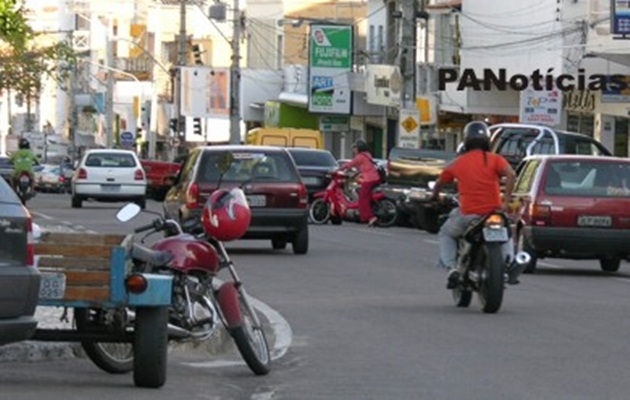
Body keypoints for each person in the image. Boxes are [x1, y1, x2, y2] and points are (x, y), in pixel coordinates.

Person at [430, 121, 518, 288]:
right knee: (506, 233)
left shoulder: (458, 162)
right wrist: (505, 201)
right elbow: (511, 174)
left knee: (446, 233)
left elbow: (439, 183)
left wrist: (435, 196)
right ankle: (509, 262)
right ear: (487, 140)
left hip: (468, 215)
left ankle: (451, 268)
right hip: (494, 212)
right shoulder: (495, 159)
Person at [339, 139, 381, 227]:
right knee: (368, 197)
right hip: (375, 178)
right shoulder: (367, 155)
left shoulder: (360, 157)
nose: (354, 150)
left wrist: (339, 169)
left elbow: (350, 164)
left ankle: (371, 218)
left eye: (355, 148)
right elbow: (365, 167)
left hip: (369, 179)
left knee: (363, 200)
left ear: (359, 148)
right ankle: (371, 213)